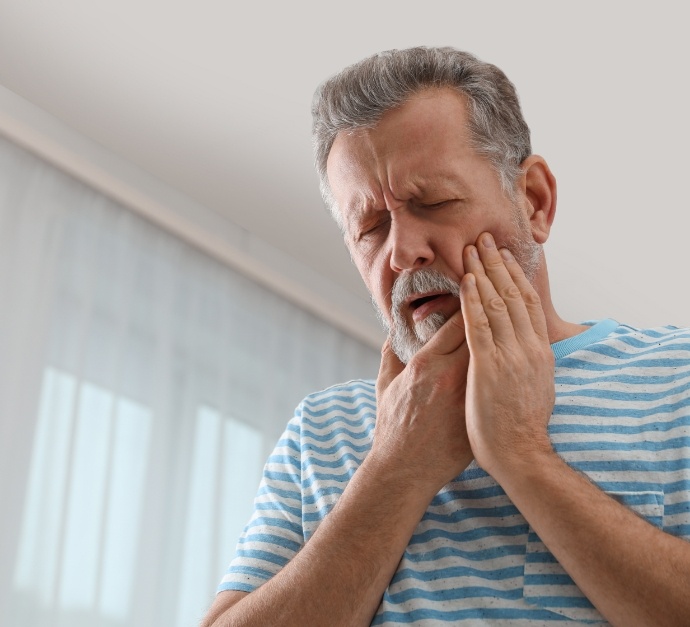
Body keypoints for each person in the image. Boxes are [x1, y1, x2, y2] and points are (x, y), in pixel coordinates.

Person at [201, 47, 690, 626]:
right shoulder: (322, 429)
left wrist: (521, 454)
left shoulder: (676, 376)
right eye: (370, 228)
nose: (403, 252)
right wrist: (397, 466)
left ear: (534, 201)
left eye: (433, 202)